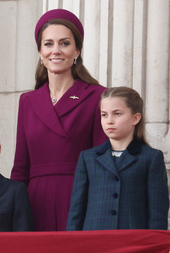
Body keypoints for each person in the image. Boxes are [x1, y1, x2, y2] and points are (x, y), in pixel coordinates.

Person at [10, 8, 107, 231]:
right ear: (40, 52)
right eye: (48, 44)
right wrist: (13, 211)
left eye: (64, 43)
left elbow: (102, 163)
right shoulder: (28, 101)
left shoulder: (98, 96)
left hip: (80, 198)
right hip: (34, 203)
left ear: (77, 51)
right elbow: (20, 168)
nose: (56, 51)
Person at [67, 87, 168, 230]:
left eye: (117, 114)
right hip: (93, 242)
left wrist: (155, 247)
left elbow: (157, 213)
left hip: (134, 243)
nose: (109, 121)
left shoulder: (151, 158)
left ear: (135, 118)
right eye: (104, 115)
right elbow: (76, 211)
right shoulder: (88, 158)